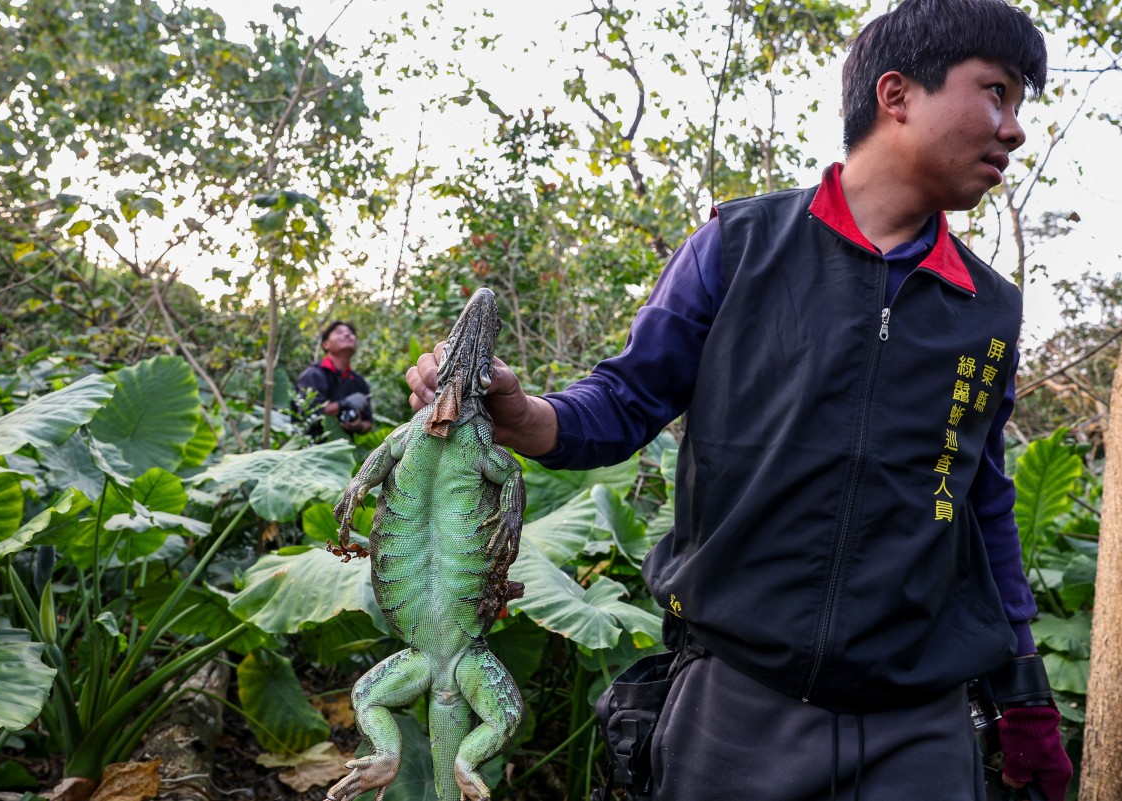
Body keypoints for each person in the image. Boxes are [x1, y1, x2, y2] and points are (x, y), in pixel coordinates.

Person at [407, 0, 1073, 798]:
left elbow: (983, 500)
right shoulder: (742, 245)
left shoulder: (987, 305)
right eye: (995, 93)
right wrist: (524, 415)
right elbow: (624, 398)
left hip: (920, 723)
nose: (1014, 130)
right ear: (897, 95)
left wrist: (1025, 689)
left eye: (1018, 106)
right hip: (736, 704)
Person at [295, 320, 374, 438]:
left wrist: (358, 426)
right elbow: (309, 414)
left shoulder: (359, 382)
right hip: (308, 447)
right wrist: (346, 403)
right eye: (339, 332)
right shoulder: (313, 375)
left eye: (350, 333)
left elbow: (368, 422)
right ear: (325, 344)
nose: (347, 335)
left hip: (342, 451)